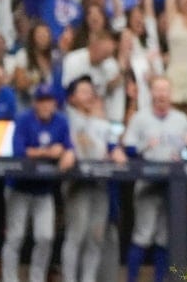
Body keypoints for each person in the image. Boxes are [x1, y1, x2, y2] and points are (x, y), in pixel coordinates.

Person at [115, 76, 187, 282]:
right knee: (144, 234)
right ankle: (131, 279)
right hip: (147, 182)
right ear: (151, 93)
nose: (161, 95)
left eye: (165, 91)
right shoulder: (140, 118)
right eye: (157, 90)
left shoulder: (181, 119)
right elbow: (129, 149)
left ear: (171, 94)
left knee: (164, 236)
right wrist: (143, 148)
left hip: (172, 185)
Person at [2, 84, 75, 282]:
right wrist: (48, 152)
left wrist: (68, 153)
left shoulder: (61, 121)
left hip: (44, 189)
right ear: (35, 103)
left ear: (54, 103)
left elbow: (69, 147)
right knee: (15, 237)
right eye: (41, 101)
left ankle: (37, 278)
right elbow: (18, 152)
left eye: (49, 101)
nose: (45, 105)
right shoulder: (23, 119)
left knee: (45, 237)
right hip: (19, 186)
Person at [61, 77, 122, 282]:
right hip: (77, 183)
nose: (89, 95)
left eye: (90, 91)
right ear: (72, 98)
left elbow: (113, 146)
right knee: (76, 236)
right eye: (83, 91)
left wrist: (116, 152)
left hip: (99, 184)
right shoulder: (66, 118)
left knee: (95, 238)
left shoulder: (101, 123)